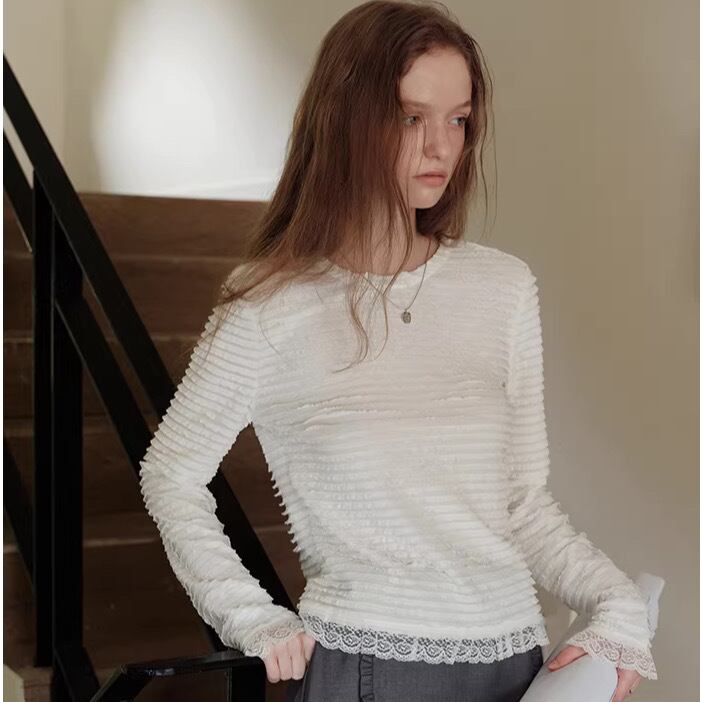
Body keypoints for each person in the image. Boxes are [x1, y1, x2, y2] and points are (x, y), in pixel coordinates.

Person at [138, 2, 657, 700]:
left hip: (515, 664)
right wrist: (249, 615)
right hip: (367, 669)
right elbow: (170, 474)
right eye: (412, 118)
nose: (441, 147)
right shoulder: (269, 306)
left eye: (458, 119)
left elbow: (523, 504)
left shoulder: (502, 288)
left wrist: (618, 608)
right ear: (347, 120)